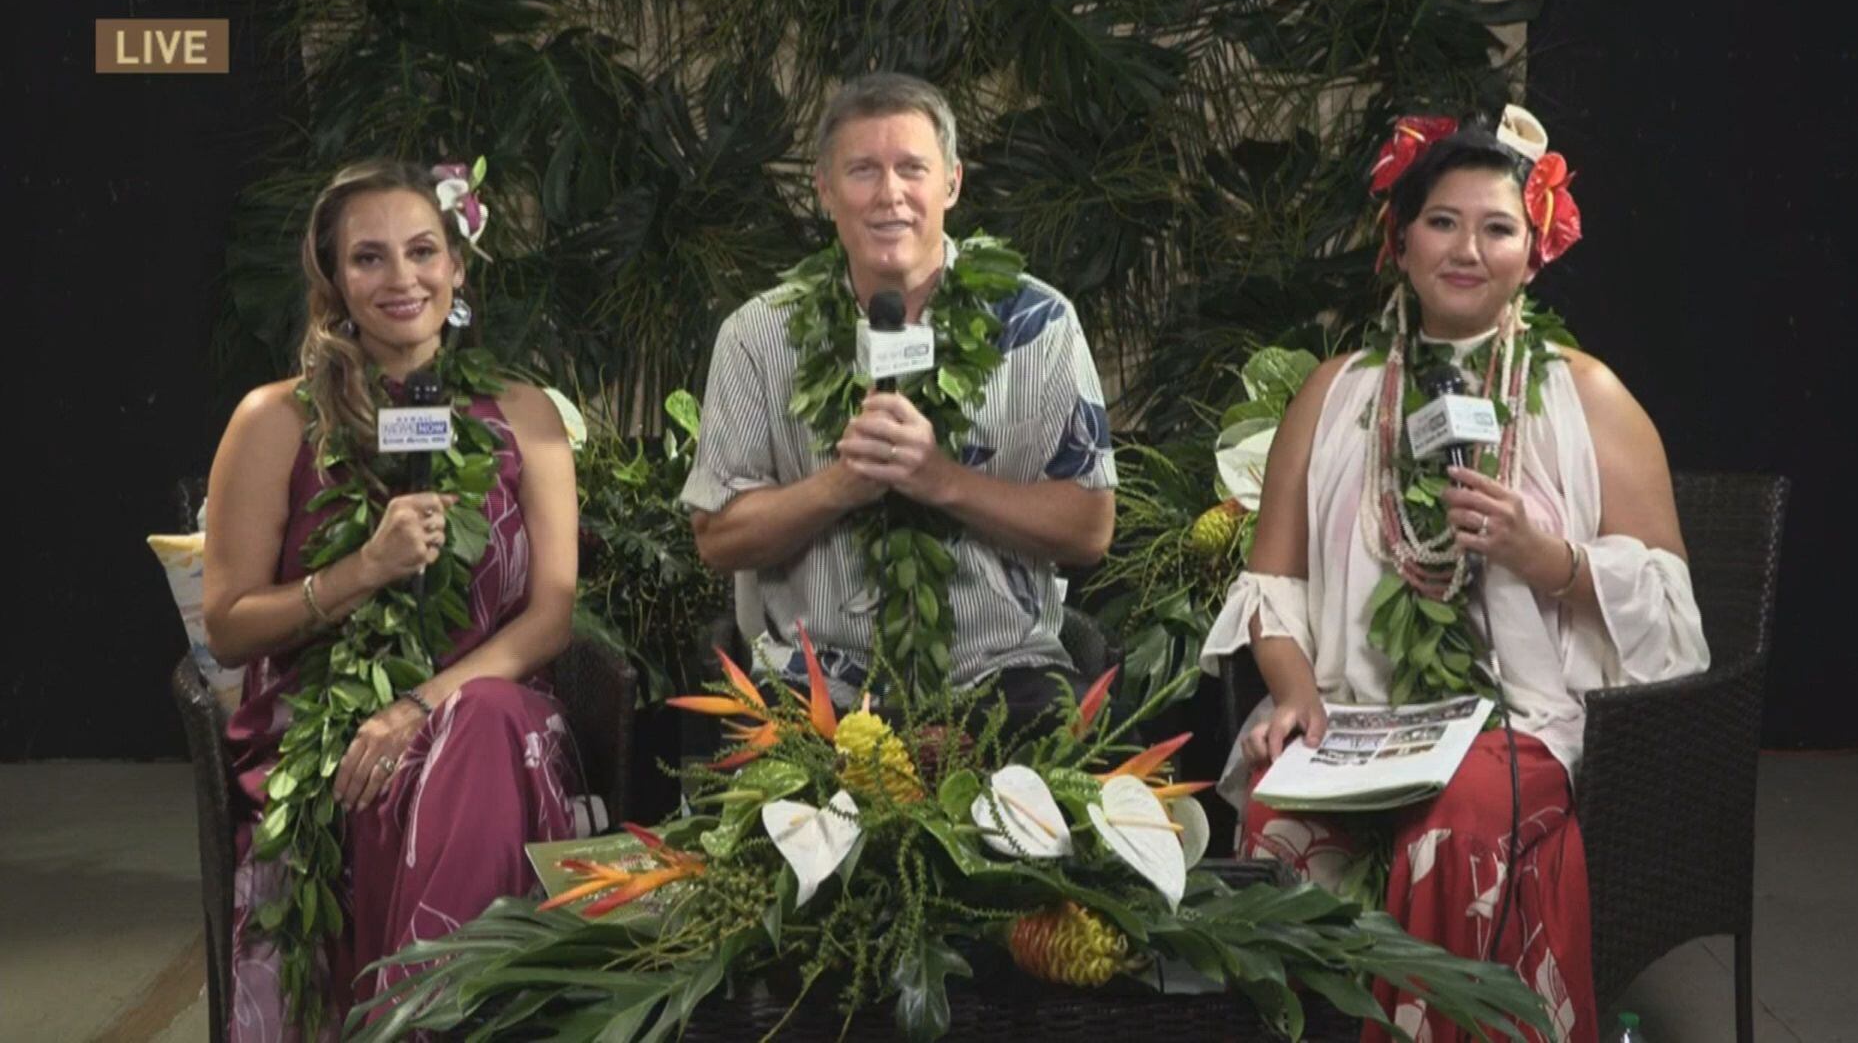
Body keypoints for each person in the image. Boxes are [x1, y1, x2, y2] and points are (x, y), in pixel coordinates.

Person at [1199, 107, 1710, 1043]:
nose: (1467, 247)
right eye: (1442, 221)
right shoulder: (1333, 392)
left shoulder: (1585, 395)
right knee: (1277, 811)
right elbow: (1273, 589)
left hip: (1518, 721)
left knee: (1459, 824)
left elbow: (1671, 608)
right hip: (1358, 715)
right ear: (1400, 244)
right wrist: (1295, 689)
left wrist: (1542, 558)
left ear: (1533, 250)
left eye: (1497, 226)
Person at [202, 159, 582, 1039]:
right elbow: (226, 628)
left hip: (496, 712)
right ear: (334, 281)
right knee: (407, 771)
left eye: (422, 251)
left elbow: (552, 614)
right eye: (369, 259)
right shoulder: (275, 420)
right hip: (328, 732)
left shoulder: (526, 412)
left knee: (481, 721)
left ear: (457, 267)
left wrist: (419, 706)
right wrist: (361, 570)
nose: (401, 278)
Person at [682, 73, 1116, 726]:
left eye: (912, 168)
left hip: (1003, 672)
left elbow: (1090, 528)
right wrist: (840, 486)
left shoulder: (1040, 324)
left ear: (952, 183)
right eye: (862, 171)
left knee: (1053, 808)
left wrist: (940, 480)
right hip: (813, 681)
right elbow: (717, 537)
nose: (890, 194)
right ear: (826, 191)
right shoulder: (758, 335)